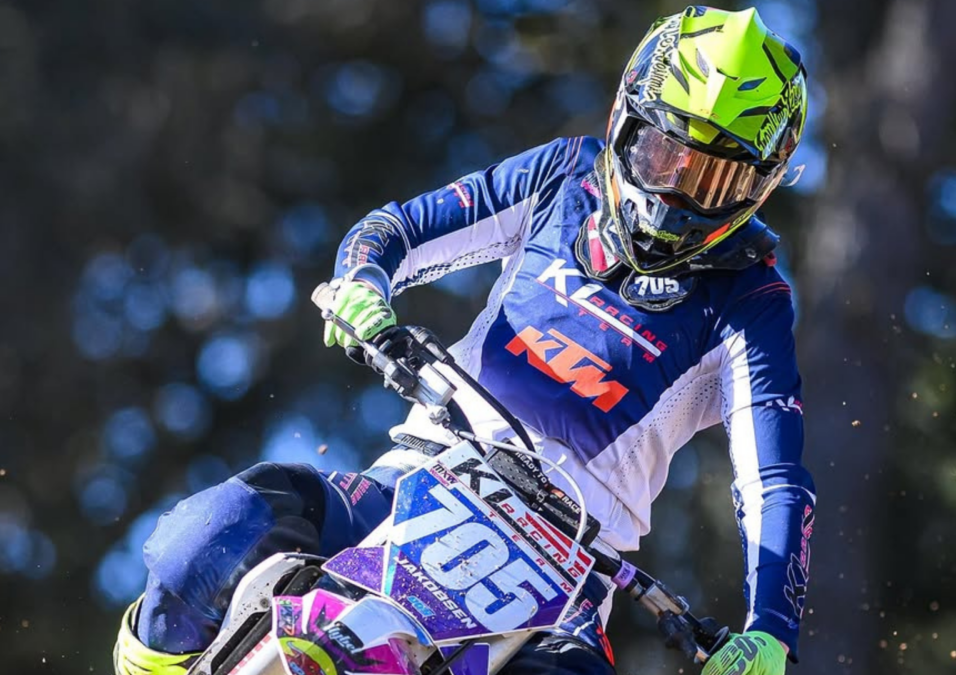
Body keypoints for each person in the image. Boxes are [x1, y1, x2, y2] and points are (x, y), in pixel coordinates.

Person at [113, 6, 816, 675]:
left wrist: (769, 633)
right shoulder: (561, 176)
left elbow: (773, 481)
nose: (674, 194)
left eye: (714, 178)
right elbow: (395, 230)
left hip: (565, 575)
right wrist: (363, 284)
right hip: (418, 476)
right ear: (625, 119)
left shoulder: (752, 298)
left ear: (761, 185)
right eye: (665, 154)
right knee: (202, 538)